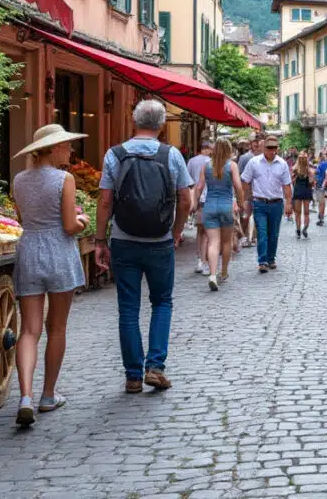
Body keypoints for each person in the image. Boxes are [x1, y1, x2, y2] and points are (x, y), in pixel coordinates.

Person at [95, 100, 193, 393]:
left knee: (128, 308)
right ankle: (155, 366)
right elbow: (186, 200)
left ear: (133, 120)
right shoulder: (171, 155)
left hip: (124, 240)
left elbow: (104, 201)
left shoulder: (115, 154)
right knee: (162, 302)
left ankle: (133, 376)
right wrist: (176, 232)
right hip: (159, 241)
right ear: (162, 125)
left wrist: (100, 239)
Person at [9, 124, 89, 426]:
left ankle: (25, 396)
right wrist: (82, 220)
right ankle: (48, 395)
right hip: (58, 251)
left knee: (29, 330)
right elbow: (69, 225)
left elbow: (21, 219)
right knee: (56, 328)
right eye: (66, 145)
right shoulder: (64, 179)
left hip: (29, 250)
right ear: (54, 148)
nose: (69, 150)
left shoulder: (19, 180)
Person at [192, 139, 243, 292]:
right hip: (226, 206)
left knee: (213, 242)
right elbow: (238, 186)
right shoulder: (232, 165)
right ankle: (224, 272)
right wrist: (240, 202)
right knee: (226, 242)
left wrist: (195, 204)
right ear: (228, 150)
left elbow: (199, 187)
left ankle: (212, 274)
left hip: (209, 207)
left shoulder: (206, 166)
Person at [240, 136, 292, 272]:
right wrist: (246, 197)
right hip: (259, 203)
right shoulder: (253, 162)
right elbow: (245, 180)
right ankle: (262, 261)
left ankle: (271, 259)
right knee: (262, 232)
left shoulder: (282, 164)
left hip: (276, 203)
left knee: (274, 233)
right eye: (269, 148)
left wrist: (288, 203)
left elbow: (287, 185)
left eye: (274, 148)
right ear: (264, 148)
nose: (272, 151)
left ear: (277, 148)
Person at [185, 141, 213, 275]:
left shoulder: (191, 161)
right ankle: (204, 261)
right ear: (207, 149)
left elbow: (188, 181)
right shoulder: (211, 162)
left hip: (196, 199)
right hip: (208, 199)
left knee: (200, 231)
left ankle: (199, 260)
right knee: (208, 233)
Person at [237, 137, 263, 247]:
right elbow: (239, 176)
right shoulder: (245, 158)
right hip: (248, 192)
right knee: (246, 215)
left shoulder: (265, 158)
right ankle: (244, 237)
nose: (257, 147)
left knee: (256, 216)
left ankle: (253, 238)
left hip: (259, 192)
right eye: (255, 145)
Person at [291, 153, 314, 239]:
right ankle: (305, 228)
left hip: (298, 191)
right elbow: (312, 182)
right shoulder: (309, 169)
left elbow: (292, 180)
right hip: (307, 191)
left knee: (298, 213)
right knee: (306, 213)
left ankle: (298, 230)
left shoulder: (295, 168)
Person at [314, 149, 327, 226]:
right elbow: (317, 173)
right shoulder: (322, 164)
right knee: (322, 203)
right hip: (320, 184)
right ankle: (321, 218)